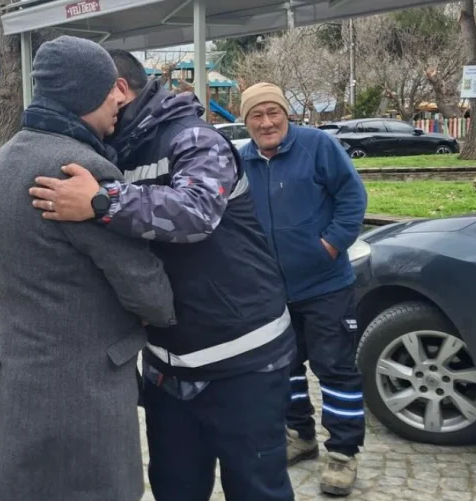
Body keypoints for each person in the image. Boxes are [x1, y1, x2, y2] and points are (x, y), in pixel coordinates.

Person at [29, 49, 296, 501]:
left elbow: (197, 212)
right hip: (167, 369)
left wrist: (102, 203)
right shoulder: (110, 150)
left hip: (243, 362)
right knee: (174, 487)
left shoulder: (193, 138)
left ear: (117, 88)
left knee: (256, 489)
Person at [0, 36, 177, 501]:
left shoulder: (6, 156)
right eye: (111, 86)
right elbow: (141, 283)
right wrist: (165, 309)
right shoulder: (79, 171)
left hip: (16, 380)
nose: (119, 97)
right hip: (81, 396)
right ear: (85, 91)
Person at [238, 82, 368, 497]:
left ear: (286, 114)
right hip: (271, 292)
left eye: (273, 112)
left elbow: (352, 198)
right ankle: (300, 435)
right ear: (246, 122)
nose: (266, 122)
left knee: (335, 368)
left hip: (326, 285)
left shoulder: (317, 146)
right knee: (284, 369)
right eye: (256, 116)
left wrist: (329, 244)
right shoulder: (240, 161)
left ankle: (344, 453)